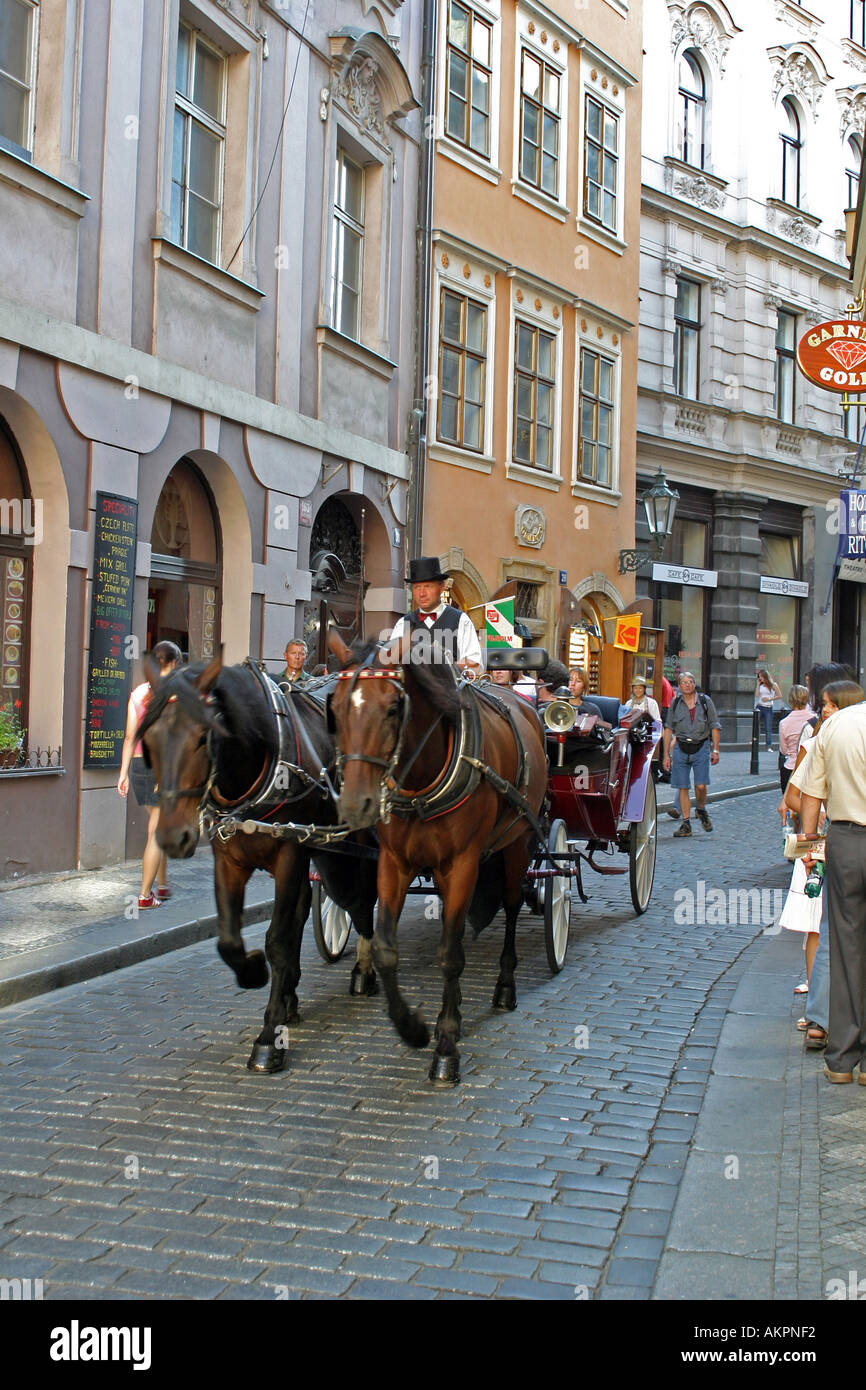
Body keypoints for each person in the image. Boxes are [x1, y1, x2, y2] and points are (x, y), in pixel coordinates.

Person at [796, 682, 866, 1084]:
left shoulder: (836, 724)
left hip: (847, 841)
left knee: (844, 947)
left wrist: (810, 846)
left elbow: (810, 792)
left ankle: (841, 1059)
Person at [117, 641, 182, 910]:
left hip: (138, 764)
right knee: (156, 830)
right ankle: (144, 895)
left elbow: (130, 736)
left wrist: (122, 773)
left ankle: (162, 883)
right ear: (176, 663)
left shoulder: (138, 693)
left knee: (158, 824)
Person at [389, 556, 482, 675]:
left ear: (442, 587)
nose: (421, 593)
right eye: (417, 587)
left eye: (428, 586)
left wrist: (443, 666)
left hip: (450, 691)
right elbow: (391, 663)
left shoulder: (461, 620)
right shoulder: (403, 624)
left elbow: (474, 663)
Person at [662, 670, 721, 836]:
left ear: (694, 684)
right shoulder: (675, 703)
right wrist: (666, 754)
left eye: (690, 682)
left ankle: (701, 809)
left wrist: (715, 749)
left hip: (701, 746)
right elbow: (668, 729)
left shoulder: (704, 701)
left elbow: (715, 725)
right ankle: (686, 824)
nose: (687, 685)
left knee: (700, 785)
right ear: (679, 686)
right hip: (681, 747)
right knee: (683, 787)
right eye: (684, 682)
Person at [778, 685, 810, 793]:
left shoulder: (784, 723)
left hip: (790, 767)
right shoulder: (815, 720)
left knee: (788, 805)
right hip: (809, 768)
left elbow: (783, 750)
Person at [755, 667, 782, 751]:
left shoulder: (773, 685)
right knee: (756, 724)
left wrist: (769, 699)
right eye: (759, 676)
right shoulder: (761, 685)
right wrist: (758, 685)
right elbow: (757, 695)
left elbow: (779, 695)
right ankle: (754, 740)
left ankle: (769, 745)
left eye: (761, 677)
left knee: (768, 727)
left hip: (768, 707)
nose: (760, 678)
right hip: (760, 706)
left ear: (766, 677)